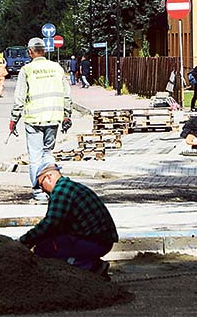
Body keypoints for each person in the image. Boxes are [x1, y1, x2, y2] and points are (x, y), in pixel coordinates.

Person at [19, 163, 118, 278]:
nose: (41, 190)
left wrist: (24, 241)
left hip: (96, 243)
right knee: (51, 242)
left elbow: (50, 224)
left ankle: (91, 267)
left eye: (41, 185)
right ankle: (89, 264)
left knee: (45, 249)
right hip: (100, 240)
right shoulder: (68, 187)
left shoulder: (61, 191)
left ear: (49, 177)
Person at [10, 37, 72, 202]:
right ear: (44, 51)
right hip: (53, 118)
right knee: (48, 153)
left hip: (34, 120)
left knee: (35, 157)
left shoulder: (27, 70)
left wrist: (13, 120)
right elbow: (67, 94)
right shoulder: (57, 68)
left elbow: (19, 99)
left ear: (30, 52)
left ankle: (39, 193)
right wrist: (67, 114)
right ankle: (53, 189)